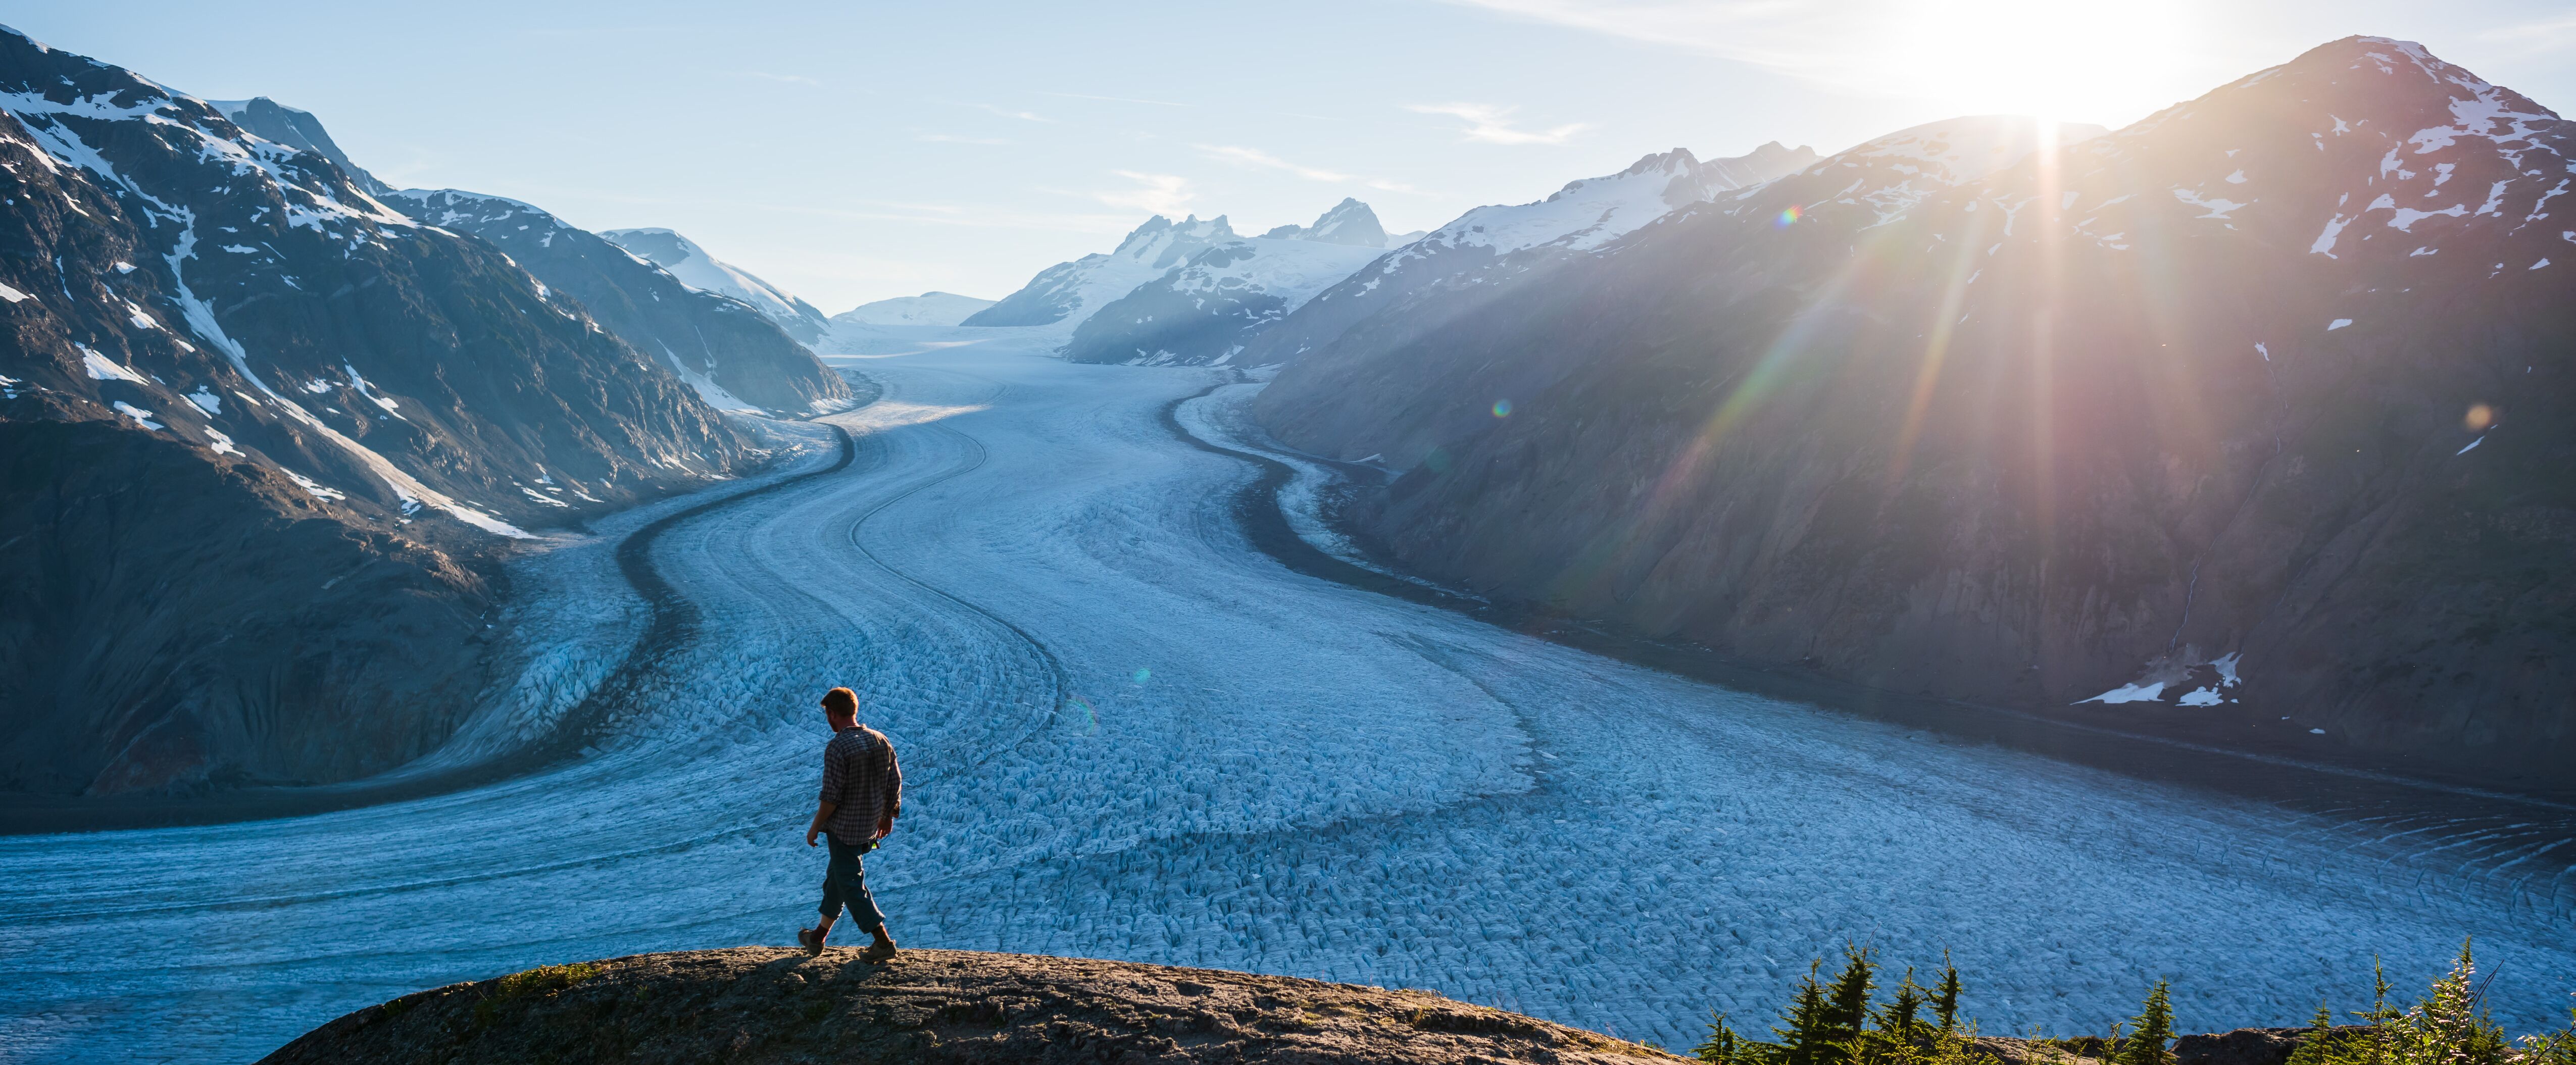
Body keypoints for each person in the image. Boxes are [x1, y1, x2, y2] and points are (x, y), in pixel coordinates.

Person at [799, 686, 901, 961]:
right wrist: (887, 816)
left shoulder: (838, 747)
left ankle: (883, 942)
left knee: (851, 884)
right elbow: (895, 782)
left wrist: (814, 827)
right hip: (868, 828)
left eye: (827, 715)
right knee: (838, 879)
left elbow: (831, 797)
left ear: (832, 714)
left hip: (843, 830)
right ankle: (816, 939)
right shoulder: (881, 740)